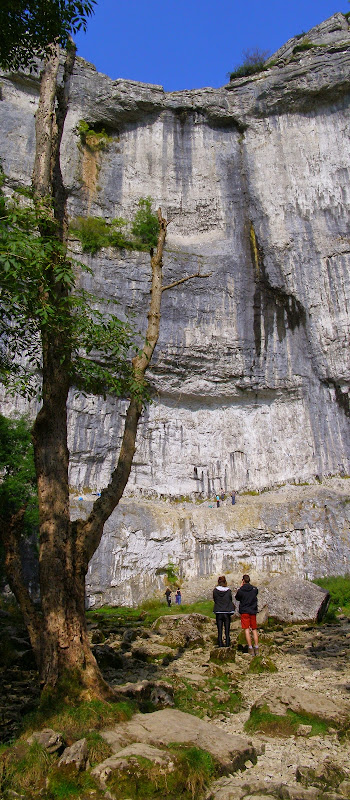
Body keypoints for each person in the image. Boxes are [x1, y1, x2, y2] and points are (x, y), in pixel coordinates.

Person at [235, 574, 259, 656]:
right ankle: (256, 647)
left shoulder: (241, 590)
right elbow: (256, 593)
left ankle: (250, 647)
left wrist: (241, 587)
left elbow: (237, 597)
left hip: (245, 611)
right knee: (254, 629)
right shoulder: (254, 589)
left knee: (246, 629)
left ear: (243, 581)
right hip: (252, 610)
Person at [213, 575, 235, 647]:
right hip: (226, 611)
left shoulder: (215, 590)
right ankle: (228, 643)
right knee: (227, 629)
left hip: (219, 611)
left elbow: (215, 599)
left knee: (219, 629)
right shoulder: (228, 591)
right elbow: (230, 600)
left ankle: (220, 643)